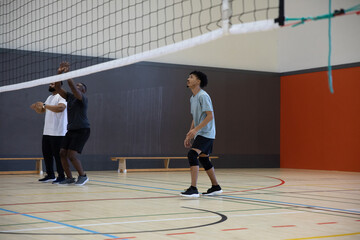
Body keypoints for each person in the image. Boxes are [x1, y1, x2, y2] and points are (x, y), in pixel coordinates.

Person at [181, 71, 222, 197]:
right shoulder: (192, 98)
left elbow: (210, 116)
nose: (188, 79)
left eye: (191, 77)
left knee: (192, 154)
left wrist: (196, 130)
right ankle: (216, 187)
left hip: (207, 132)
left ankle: (193, 188)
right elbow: (196, 117)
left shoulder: (203, 96)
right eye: (188, 76)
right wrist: (190, 132)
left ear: (198, 81)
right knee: (204, 159)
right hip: (201, 132)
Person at [54, 62, 90, 186]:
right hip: (71, 130)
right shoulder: (69, 97)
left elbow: (73, 87)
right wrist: (59, 73)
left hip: (82, 130)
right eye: (77, 85)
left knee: (72, 155)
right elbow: (57, 88)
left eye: (80, 86)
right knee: (62, 153)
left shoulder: (82, 99)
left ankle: (83, 176)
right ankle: (69, 178)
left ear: (83, 91)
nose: (77, 86)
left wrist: (67, 73)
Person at [30, 82, 67, 184]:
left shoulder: (62, 96)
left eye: (52, 84)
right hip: (47, 131)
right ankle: (50, 175)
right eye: (50, 84)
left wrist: (45, 105)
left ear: (58, 85)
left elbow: (60, 108)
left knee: (58, 156)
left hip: (58, 132)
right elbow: (43, 110)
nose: (50, 85)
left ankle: (61, 176)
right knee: (47, 154)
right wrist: (37, 107)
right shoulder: (50, 97)